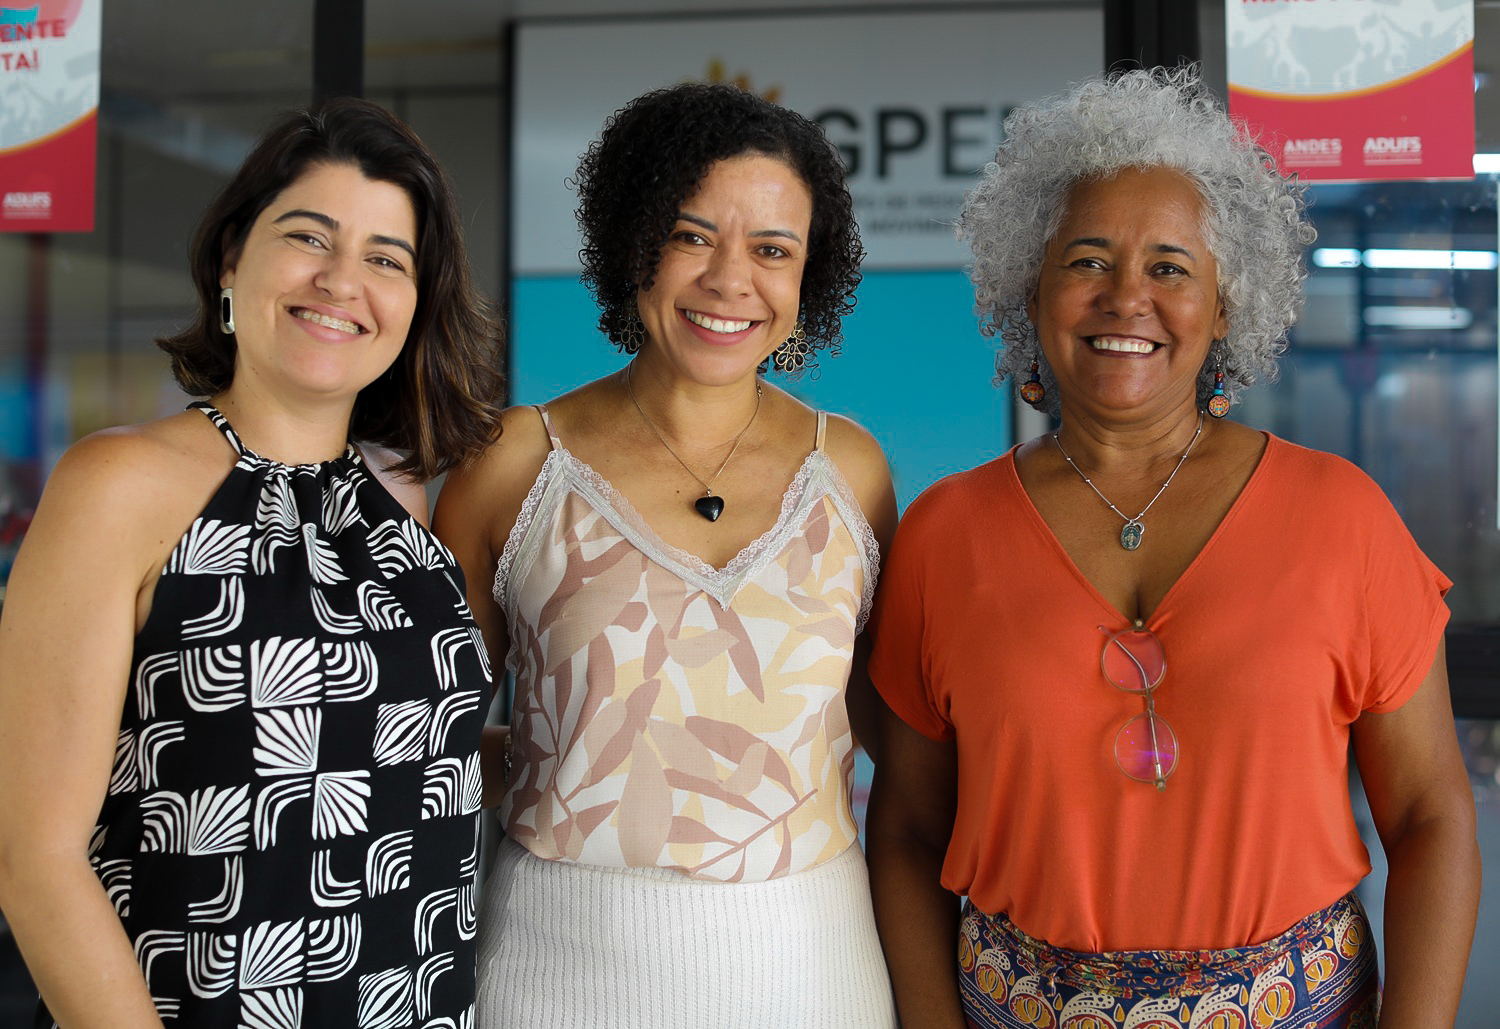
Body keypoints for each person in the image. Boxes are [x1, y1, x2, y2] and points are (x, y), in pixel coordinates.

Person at [867, 67, 1480, 1029]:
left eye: (1170, 267)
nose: (1126, 298)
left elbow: (1430, 816)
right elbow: (905, 827)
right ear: (1029, 292)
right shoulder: (946, 535)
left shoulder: (1343, 517)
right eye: (1086, 261)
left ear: (1227, 307)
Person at [0, 97, 505, 1027]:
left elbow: (403, 764)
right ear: (232, 259)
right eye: (308, 236)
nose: (342, 280)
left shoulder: (403, 508)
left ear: (414, 305)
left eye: (386, 259)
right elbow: (35, 862)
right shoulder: (120, 485)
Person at [434, 82, 898, 1027]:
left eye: (773, 251)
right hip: (557, 970)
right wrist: (567, 763)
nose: (733, 280)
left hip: (813, 967)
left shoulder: (848, 469)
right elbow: (417, 736)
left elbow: (894, 736)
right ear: (630, 244)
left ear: (809, 277)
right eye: (692, 236)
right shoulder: (515, 463)